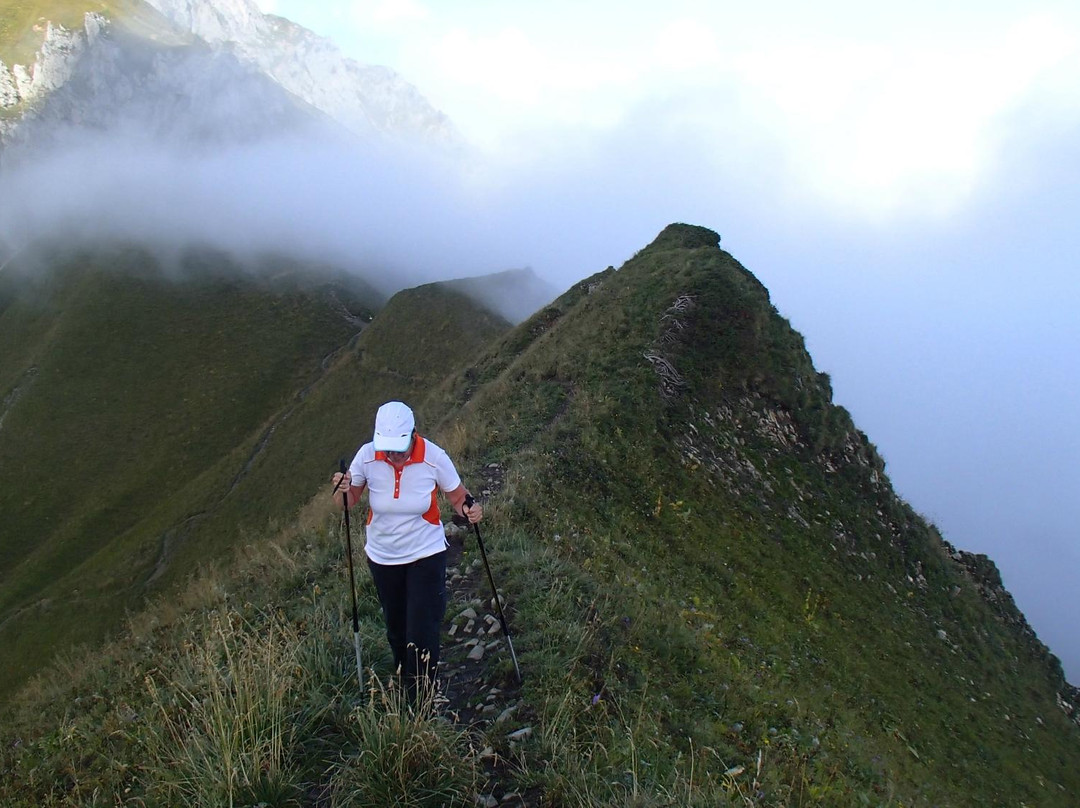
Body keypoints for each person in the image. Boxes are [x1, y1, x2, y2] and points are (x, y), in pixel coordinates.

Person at [331, 400, 482, 694]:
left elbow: (458, 497)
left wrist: (471, 510)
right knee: (397, 629)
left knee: (422, 629)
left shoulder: (434, 457)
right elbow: (348, 502)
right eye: (387, 449)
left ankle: (422, 696)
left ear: (413, 435)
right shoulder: (367, 456)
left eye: (398, 450)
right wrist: (342, 489)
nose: (393, 456)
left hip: (426, 553)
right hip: (383, 557)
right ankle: (406, 683)